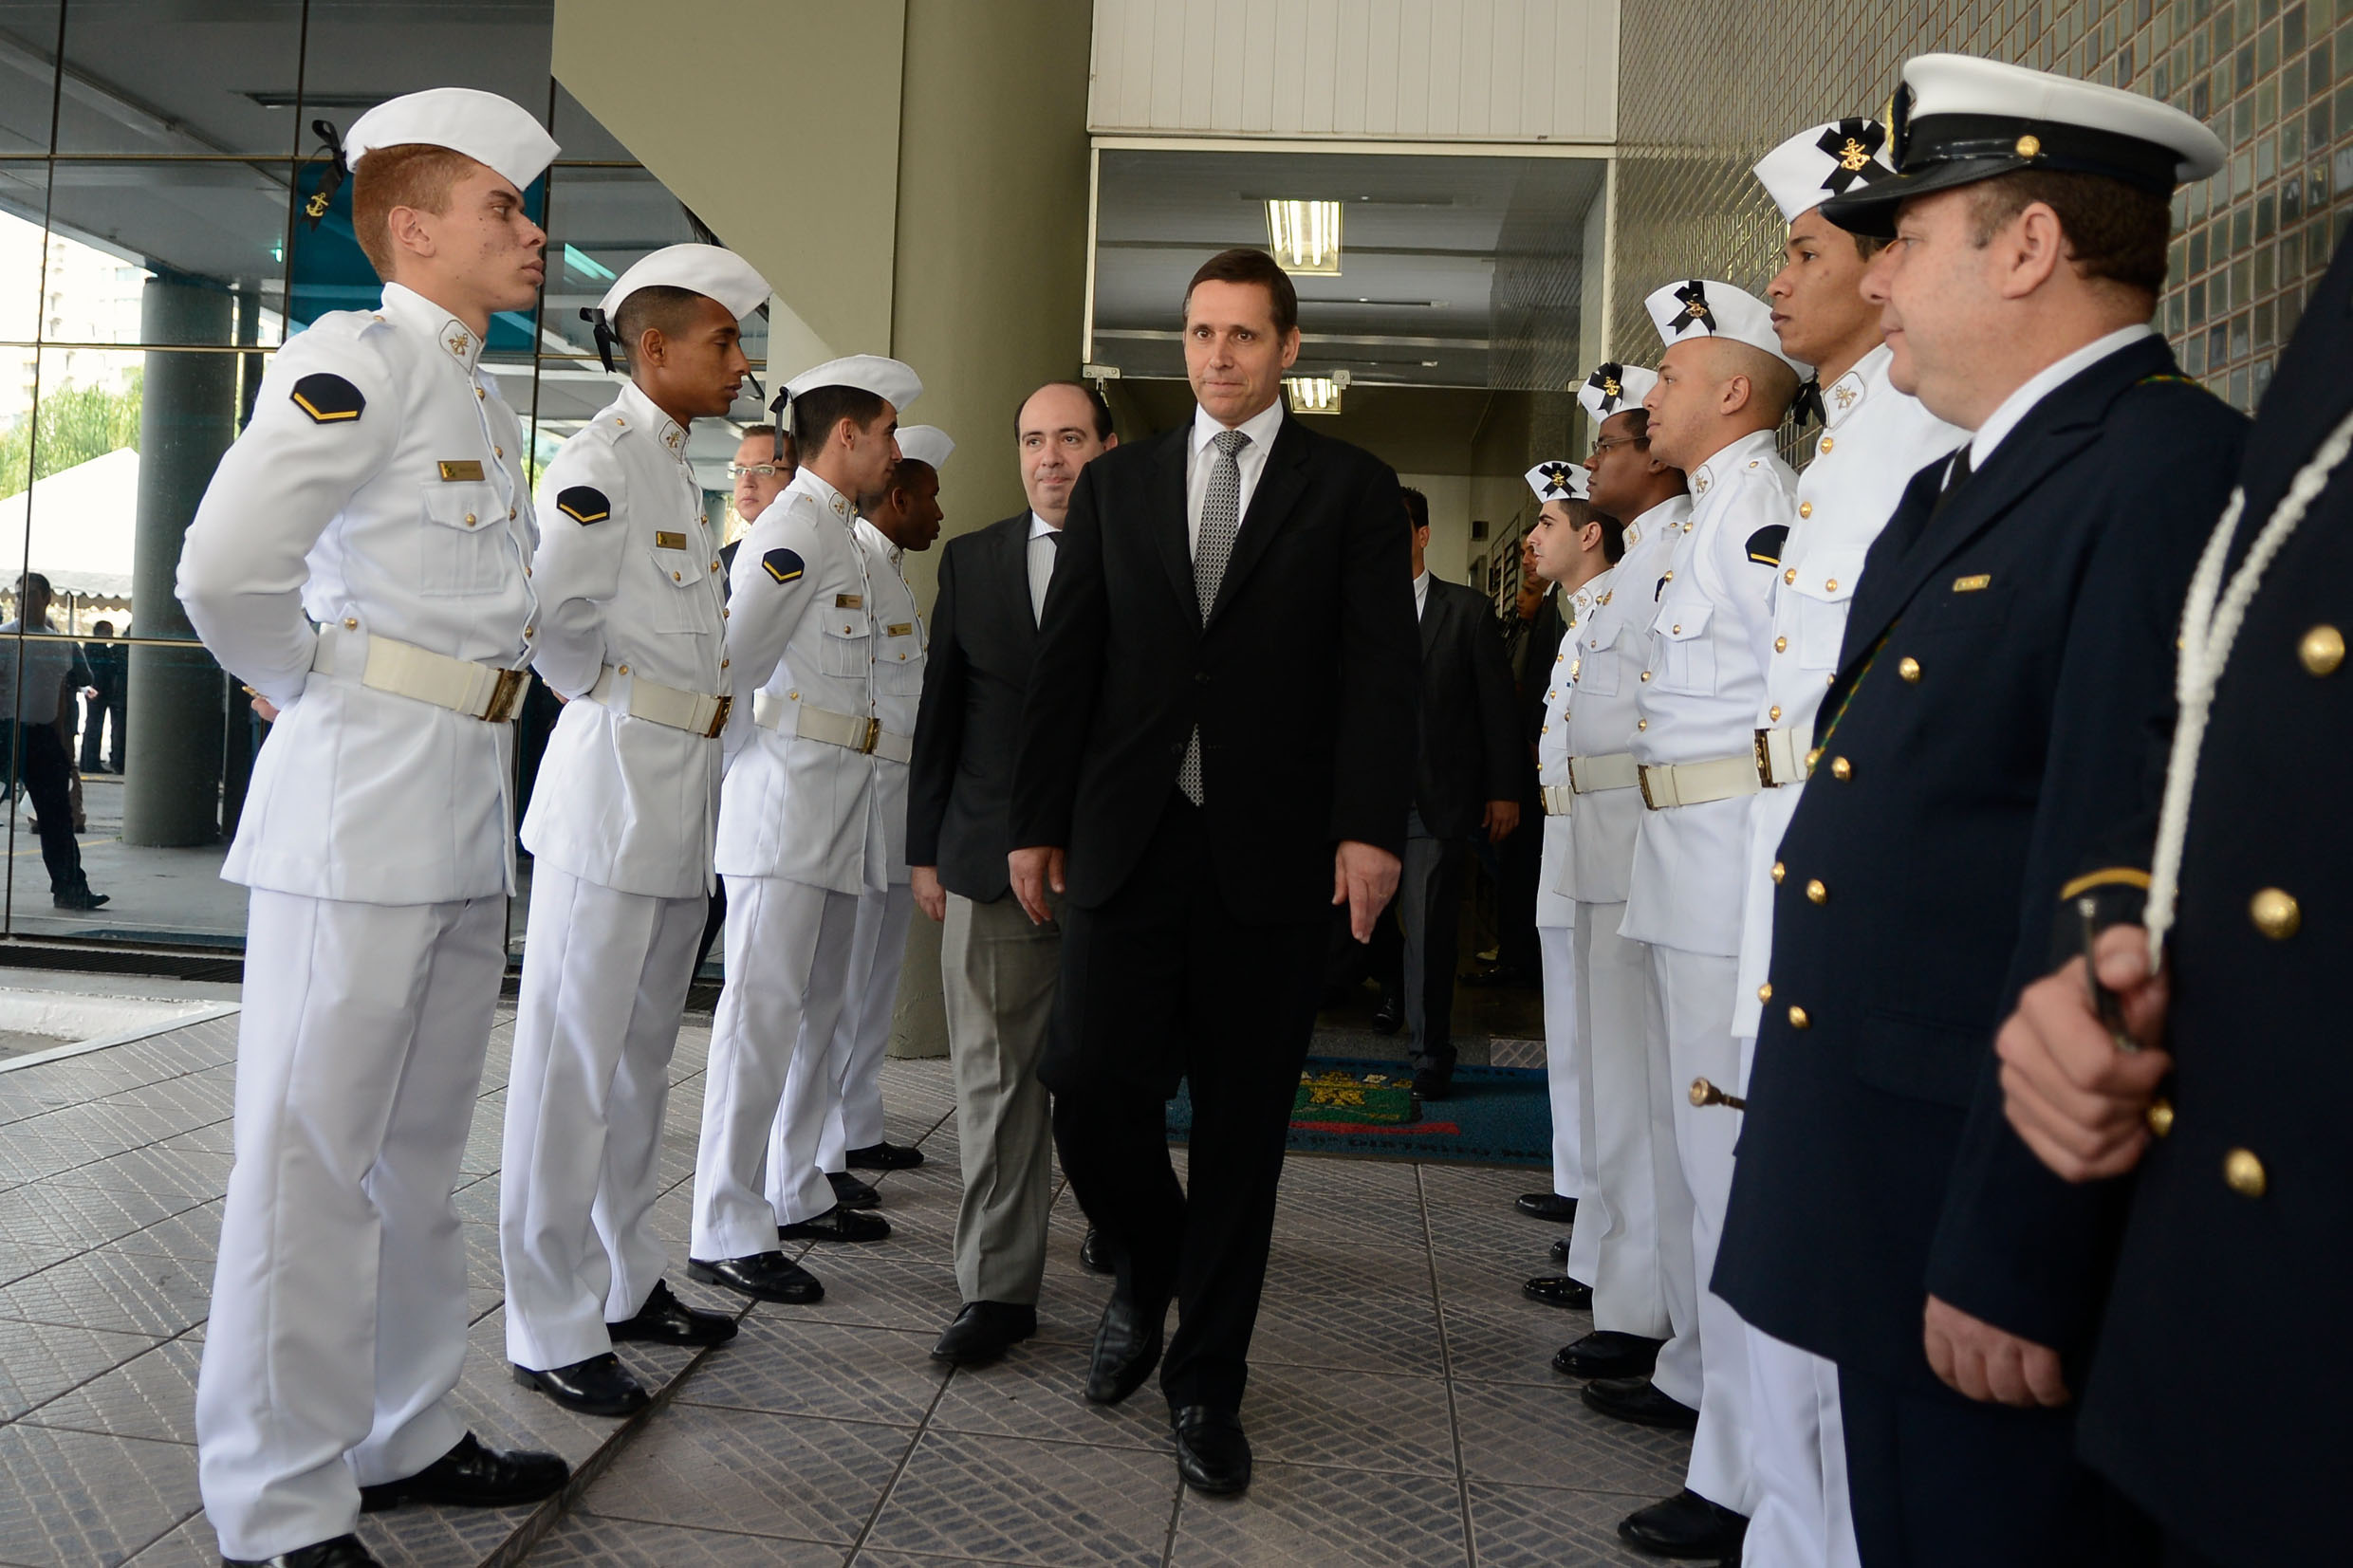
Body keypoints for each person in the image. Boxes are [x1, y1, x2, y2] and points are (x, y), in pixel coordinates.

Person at [1712, 52, 2242, 1567]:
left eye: (1910, 239)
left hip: (1982, 1238)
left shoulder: (2161, 474)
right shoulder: (1968, 485)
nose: (1878, 286)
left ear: (2027, 247)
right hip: (1888, 1199)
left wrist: (2021, 1253)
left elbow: (2111, 893)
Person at [176, 87, 570, 1568]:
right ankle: (275, 1504)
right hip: (356, 811)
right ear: (413, 231)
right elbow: (225, 570)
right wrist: (303, 680)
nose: (529, 234)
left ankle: (402, 1430)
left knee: (412, 1155)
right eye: (502, 210)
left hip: (461, 801)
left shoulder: (467, 385)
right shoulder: (358, 361)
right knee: (306, 1162)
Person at [1008, 247, 1416, 1496]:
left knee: (1243, 1133)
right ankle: (1148, 1264)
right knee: (1086, 1084)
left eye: (1244, 334)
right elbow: (1067, 662)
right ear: (1179, 346)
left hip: (1274, 855)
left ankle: (1206, 1385)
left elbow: (1375, 674)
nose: (1219, 355)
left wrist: (1371, 829)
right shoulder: (1119, 485)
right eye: (1200, 333)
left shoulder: (1350, 489)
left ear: (1289, 349)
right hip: (1131, 839)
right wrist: (1034, 820)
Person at [1991, 231, 2353, 1568]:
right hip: (2232, 1313)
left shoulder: (2154, 449)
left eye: (1901, 242)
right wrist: (2110, 936)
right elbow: (2212, 719)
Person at [1720, 116, 1967, 1568]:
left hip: (1837, 883)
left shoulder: (1917, 436)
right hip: (1778, 860)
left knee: (1829, 1257)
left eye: (1806, 248)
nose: (1783, 277)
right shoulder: (1856, 443)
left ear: (1885, 272)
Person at [497, 245, 765, 1419]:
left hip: (675, 804)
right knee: (568, 1069)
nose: (740, 362)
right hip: (611, 796)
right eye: (722, 340)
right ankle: (547, 1323)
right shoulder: (600, 460)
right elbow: (555, 623)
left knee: (641, 1061)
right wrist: (611, 696)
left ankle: (623, 1279)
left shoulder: (672, 467)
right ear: (654, 350)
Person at [1595, 277, 1807, 1562]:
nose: (1653, 394)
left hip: (1734, 870)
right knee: (1698, 1163)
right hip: (1687, 862)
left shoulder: (1765, 516)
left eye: (1674, 375)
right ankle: (1717, 1423)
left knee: (1732, 1179)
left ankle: (1742, 1477)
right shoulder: (1717, 515)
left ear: (1734, 390)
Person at [689, 354, 921, 1302]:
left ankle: (788, 1184)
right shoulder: (791, 528)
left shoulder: (836, 532)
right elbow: (732, 665)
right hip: (784, 802)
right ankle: (722, 1218)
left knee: (815, 1007)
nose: (894, 451)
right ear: (849, 436)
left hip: (833, 802)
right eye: (888, 432)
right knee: (759, 1017)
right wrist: (736, 780)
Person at [908, 379, 1119, 1367]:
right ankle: (995, 1289)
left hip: (1116, 865)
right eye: (1033, 439)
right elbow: (941, 715)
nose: (1049, 459)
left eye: (1069, 438)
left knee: (1109, 1073)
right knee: (993, 1082)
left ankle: (1123, 1224)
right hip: (988, 865)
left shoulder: (1149, 559)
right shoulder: (975, 560)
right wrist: (925, 848)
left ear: (1106, 449)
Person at [1547, 365, 1691, 1390]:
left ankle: (1643, 1309)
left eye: (1609, 443)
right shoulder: (1640, 561)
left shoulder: (1676, 553)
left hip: (1647, 848)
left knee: (1643, 1092)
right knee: (1611, 1079)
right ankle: (1619, 1280)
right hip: (1600, 843)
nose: (1596, 460)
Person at [789, 424, 950, 1218]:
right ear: (897, 497)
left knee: (872, 978)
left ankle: (853, 1124)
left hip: (893, 795)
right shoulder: (847, 555)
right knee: (841, 983)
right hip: (859, 791)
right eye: (927, 495)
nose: (938, 512)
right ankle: (823, 1144)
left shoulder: (886, 571)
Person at [1517, 470, 1619, 1308]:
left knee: (1600, 1031)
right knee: (1570, 1020)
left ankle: (1598, 1202)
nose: (1532, 538)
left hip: (1606, 836)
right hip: (1568, 832)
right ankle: (1580, 1179)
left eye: (1547, 521)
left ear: (1589, 532)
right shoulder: (1576, 615)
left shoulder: (1615, 601)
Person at [1380, 485, 1518, 1101]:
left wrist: (1503, 790)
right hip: (1359, 803)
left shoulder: (1466, 611)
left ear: (1422, 533)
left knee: (1431, 928)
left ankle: (1431, 1052)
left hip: (1432, 803)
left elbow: (1496, 712)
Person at [691, 423, 797, 983]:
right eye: (740, 470)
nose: (747, 482)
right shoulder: (722, 562)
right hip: (715, 760)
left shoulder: (807, 555)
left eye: (763, 469)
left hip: (770, 767)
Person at [0, 575, 106, 910]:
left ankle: (71, 889)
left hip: (43, 734)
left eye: (29, 594)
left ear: (46, 597)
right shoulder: (5, 638)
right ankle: (70, 887)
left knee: (57, 817)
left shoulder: (61, 643)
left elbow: (68, 689)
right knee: (54, 816)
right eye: (18, 594)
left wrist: (63, 744)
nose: (21, 600)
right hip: (4, 729)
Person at [79, 618, 122, 773]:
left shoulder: (91, 647)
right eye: (108, 632)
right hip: (98, 692)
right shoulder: (97, 648)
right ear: (99, 632)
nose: (111, 635)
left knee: (92, 726)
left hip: (95, 691)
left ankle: (88, 761)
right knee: (94, 727)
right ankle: (91, 763)